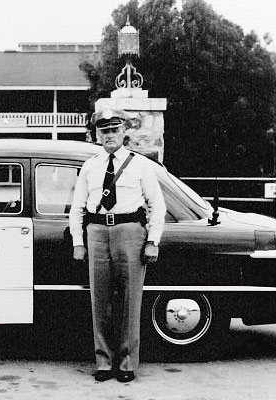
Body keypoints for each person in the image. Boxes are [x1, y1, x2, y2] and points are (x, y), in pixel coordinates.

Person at [69, 108, 166, 383]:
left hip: (130, 231)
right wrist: (79, 242)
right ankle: (103, 361)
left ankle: (126, 363)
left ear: (124, 132)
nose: (109, 136)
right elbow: (77, 208)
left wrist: (152, 241)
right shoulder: (90, 166)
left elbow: (157, 206)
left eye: (114, 130)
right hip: (97, 231)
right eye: (104, 131)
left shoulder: (140, 165)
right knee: (99, 300)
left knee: (129, 299)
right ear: (98, 134)